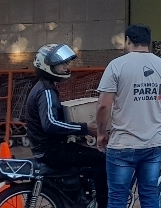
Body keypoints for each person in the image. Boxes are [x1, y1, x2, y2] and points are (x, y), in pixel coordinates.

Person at [96, 25, 161, 208]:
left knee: (117, 198)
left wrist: (101, 133)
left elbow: (103, 105)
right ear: (149, 42)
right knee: (149, 196)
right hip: (153, 144)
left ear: (127, 40)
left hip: (123, 144)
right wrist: (157, 126)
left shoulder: (116, 66)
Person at [26, 43, 106, 206]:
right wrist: (85, 128)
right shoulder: (46, 91)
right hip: (51, 151)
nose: (65, 67)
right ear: (47, 66)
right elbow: (50, 124)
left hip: (47, 148)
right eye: (61, 64)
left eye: (66, 63)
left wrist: (76, 131)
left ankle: (79, 196)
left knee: (85, 158)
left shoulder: (44, 87)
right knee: (101, 159)